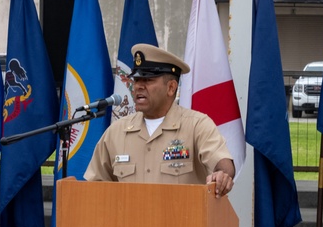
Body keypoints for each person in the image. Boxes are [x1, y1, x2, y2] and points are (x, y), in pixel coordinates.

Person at [84, 44, 235, 197]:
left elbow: (222, 162)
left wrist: (222, 175)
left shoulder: (197, 125)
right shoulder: (116, 132)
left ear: (171, 87)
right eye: (136, 80)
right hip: (129, 220)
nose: (138, 87)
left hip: (182, 219)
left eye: (148, 80)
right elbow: (95, 185)